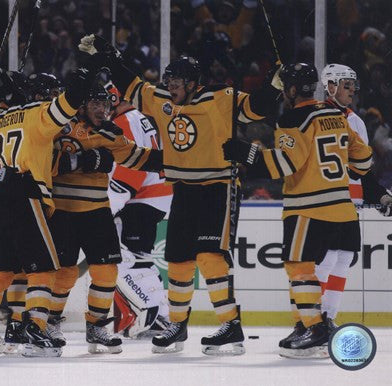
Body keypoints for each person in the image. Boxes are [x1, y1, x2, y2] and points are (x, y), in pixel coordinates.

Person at [78, 34, 282, 355]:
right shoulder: (163, 100)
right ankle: (177, 325)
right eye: (168, 80)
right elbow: (131, 86)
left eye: (177, 81)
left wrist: (275, 86)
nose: (170, 85)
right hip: (183, 190)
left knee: (210, 257)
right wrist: (107, 54)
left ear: (193, 82)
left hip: (219, 187)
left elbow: (257, 109)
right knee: (177, 261)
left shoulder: (220, 97)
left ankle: (231, 325)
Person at [222, 63, 392, 359]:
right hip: (342, 207)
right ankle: (315, 325)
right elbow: (363, 161)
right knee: (329, 265)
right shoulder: (338, 117)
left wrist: (244, 152)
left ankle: (312, 327)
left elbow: (285, 164)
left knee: (299, 267)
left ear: (289, 90)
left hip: (308, 207)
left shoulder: (293, 118)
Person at [0, 65, 94, 357]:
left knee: (0, 271)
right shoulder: (38, 115)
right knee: (44, 268)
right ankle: (35, 328)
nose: (53, 97)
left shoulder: (0, 118)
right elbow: (70, 103)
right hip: (24, 192)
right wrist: (84, 76)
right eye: (50, 94)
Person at [48, 82, 163, 354]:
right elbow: (42, 160)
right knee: (64, 273)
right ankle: (50, 322)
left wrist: (184, 159)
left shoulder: (111, 133)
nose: (103, 110)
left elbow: (138, 158)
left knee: (107, 271)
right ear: (81, 106)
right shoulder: (59, 128)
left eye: (106, 104)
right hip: (64, 212)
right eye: (95, 104)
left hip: (97, 211)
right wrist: (76, 162)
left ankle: (96, 327)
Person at [104, 82, 172, 338]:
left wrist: (110, 203)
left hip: (141, 197)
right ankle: (159, 315)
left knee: (130, 259)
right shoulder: (141, 117)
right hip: (154, 195)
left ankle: (155, 317)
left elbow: (131, 168)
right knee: (139, 257)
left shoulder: (125, 121)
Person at [315, 64, 367, 330]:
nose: (352, 90)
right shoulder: (316, 116)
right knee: (325, 260)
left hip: (350, 205)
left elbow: (362, 169)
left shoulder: (356, 120)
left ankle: (328, 317)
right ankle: (312, 321)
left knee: (344, 259)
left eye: (353, 85)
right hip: (327, 201)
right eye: (346, 85)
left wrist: (377, 196)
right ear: (331, 85)